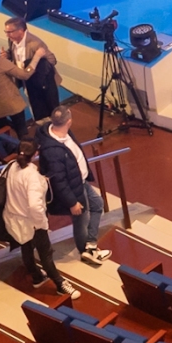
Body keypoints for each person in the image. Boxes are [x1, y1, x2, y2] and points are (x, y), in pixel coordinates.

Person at [0, 140, 79, 300]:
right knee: (46, 254)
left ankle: (37, 277)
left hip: (13, 217)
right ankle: (60, 284)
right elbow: (35, 206)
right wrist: (42, 224)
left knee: (26, 247)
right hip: (32, 222)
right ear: (35, 153)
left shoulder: (10, 166)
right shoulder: (32, 176)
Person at [37, 106, 111, 266]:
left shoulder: (65, 133)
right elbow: (59, 180)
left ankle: (90, 244)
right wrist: (72, 202)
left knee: (97, 204)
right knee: (81, 219)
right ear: (69, 121)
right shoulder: (52, 150)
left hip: (80, 182)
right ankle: (86, 251)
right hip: (73, 189)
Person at [4, 16, 61, 123]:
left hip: (40, 82)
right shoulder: (12, 40)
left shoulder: (36, 43)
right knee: (33, 104)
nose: (7, 35)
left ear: (21, 30)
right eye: (6, 32)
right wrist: (8, 55)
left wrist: (38, 72)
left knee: (48, 107)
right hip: (25, 81)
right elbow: (14, 53)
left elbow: (52, 59)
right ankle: (41, 124)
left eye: (10, 32)